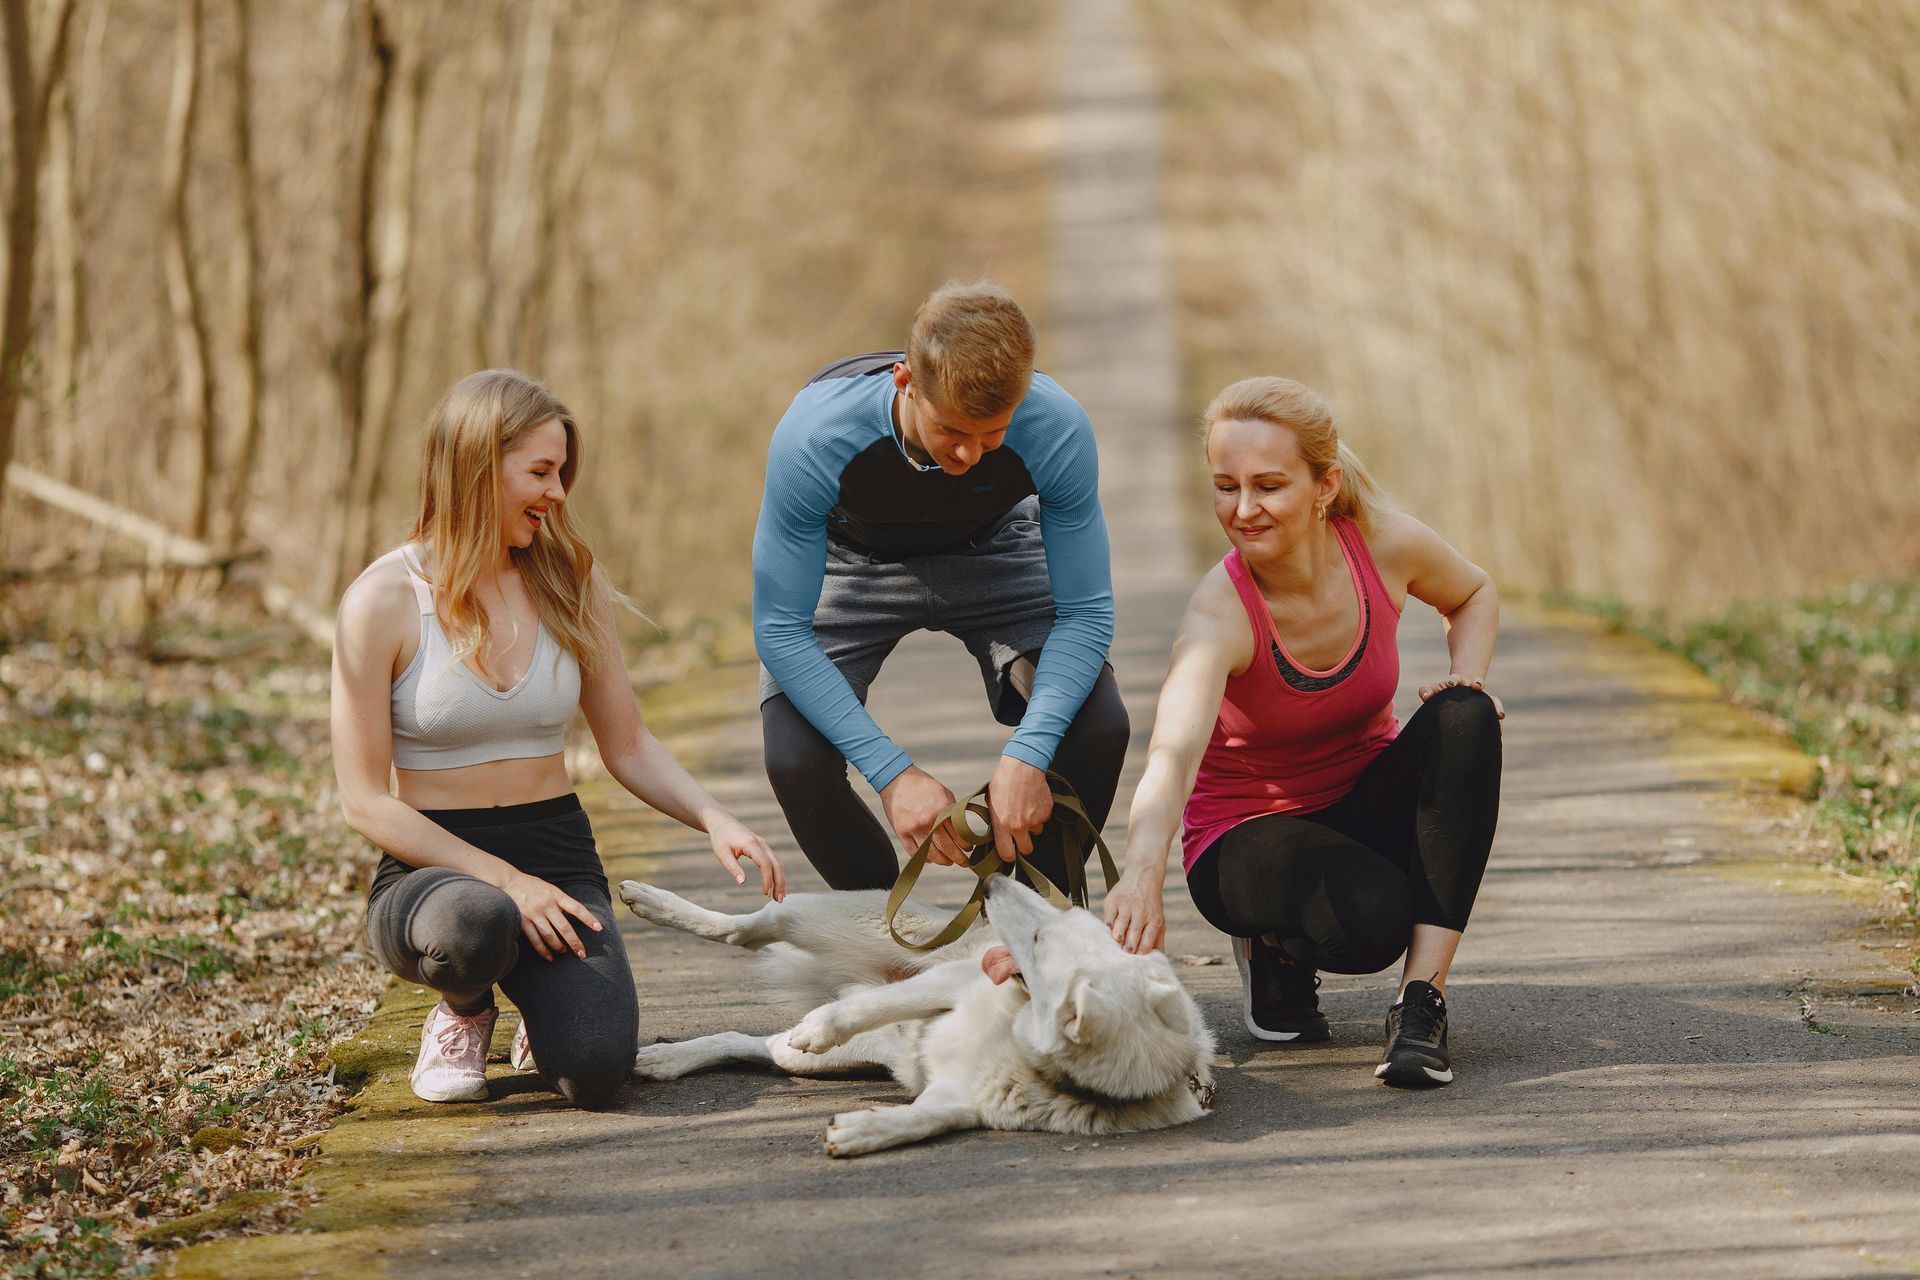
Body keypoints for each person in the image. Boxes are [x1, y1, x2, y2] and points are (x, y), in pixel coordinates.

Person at [331, 369, 784, 1109]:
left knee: (597, 1072)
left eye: (563, 472)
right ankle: (465, 1011)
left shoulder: (569, 579)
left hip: (558, 850)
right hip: (432, 873)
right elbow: (363, 803)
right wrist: (508, 883)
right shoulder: (381, 601)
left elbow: (628, 742)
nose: (559, 493)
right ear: (477, 467)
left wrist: (714, 816)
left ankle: (545, 1009)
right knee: (476, 924)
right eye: (541, 471)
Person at [1101, 376, 1503, 1088]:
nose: (1244, 510)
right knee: (1372, 921)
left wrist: (1463, 673)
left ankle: (1421, 1003)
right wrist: (1140, 874)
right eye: (1225, 487)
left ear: (1325, 485)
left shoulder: (1382, 546)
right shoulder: (1219, 614)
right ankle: (1271, 947)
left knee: (1465, 713)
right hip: (1246, 838)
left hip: (1357, 809)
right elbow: (1172, 753)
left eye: (1268, 485)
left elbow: (1473, 592)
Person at [754, 281, 1128, 891]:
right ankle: (886, 947)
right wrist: (893, 775)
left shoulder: (1058, 425)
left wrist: (1029, 754)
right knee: (795, 761)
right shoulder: (814, 437)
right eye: (952, 429)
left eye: (993, 434)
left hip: (996, 549)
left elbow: (1086, 611)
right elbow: (779, 628)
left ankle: (1026, 938)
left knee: (1099, 725)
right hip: (853, 560)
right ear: (905, 381)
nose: (971, 454)